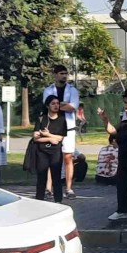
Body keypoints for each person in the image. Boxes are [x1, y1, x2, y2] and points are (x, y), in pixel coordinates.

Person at [42, 65, 79, 199]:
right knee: (51, 159)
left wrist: (57, 105)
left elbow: (72, 106)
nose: (64, 76)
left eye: (66, 73)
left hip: (68, 127)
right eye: (61, 73)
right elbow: (47, 106)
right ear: (55, 75)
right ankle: (48, 188)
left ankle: (69, 188)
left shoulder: (73, 90)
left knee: (68, 158)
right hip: (53, 128)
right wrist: (63, 104)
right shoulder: (48, 90)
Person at [33, 95, 67, 203]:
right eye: (53, 103)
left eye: (57, 103)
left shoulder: (62, 119)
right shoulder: (41, 118)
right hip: (42, 151)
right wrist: (50, 139)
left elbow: (60, 138)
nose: (56, 106)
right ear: (48, 105)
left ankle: (58, 201)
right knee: (41, 177)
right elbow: (36, 138)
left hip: (55, 151)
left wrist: (47, 134)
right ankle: (39, 201)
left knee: (56, 177)